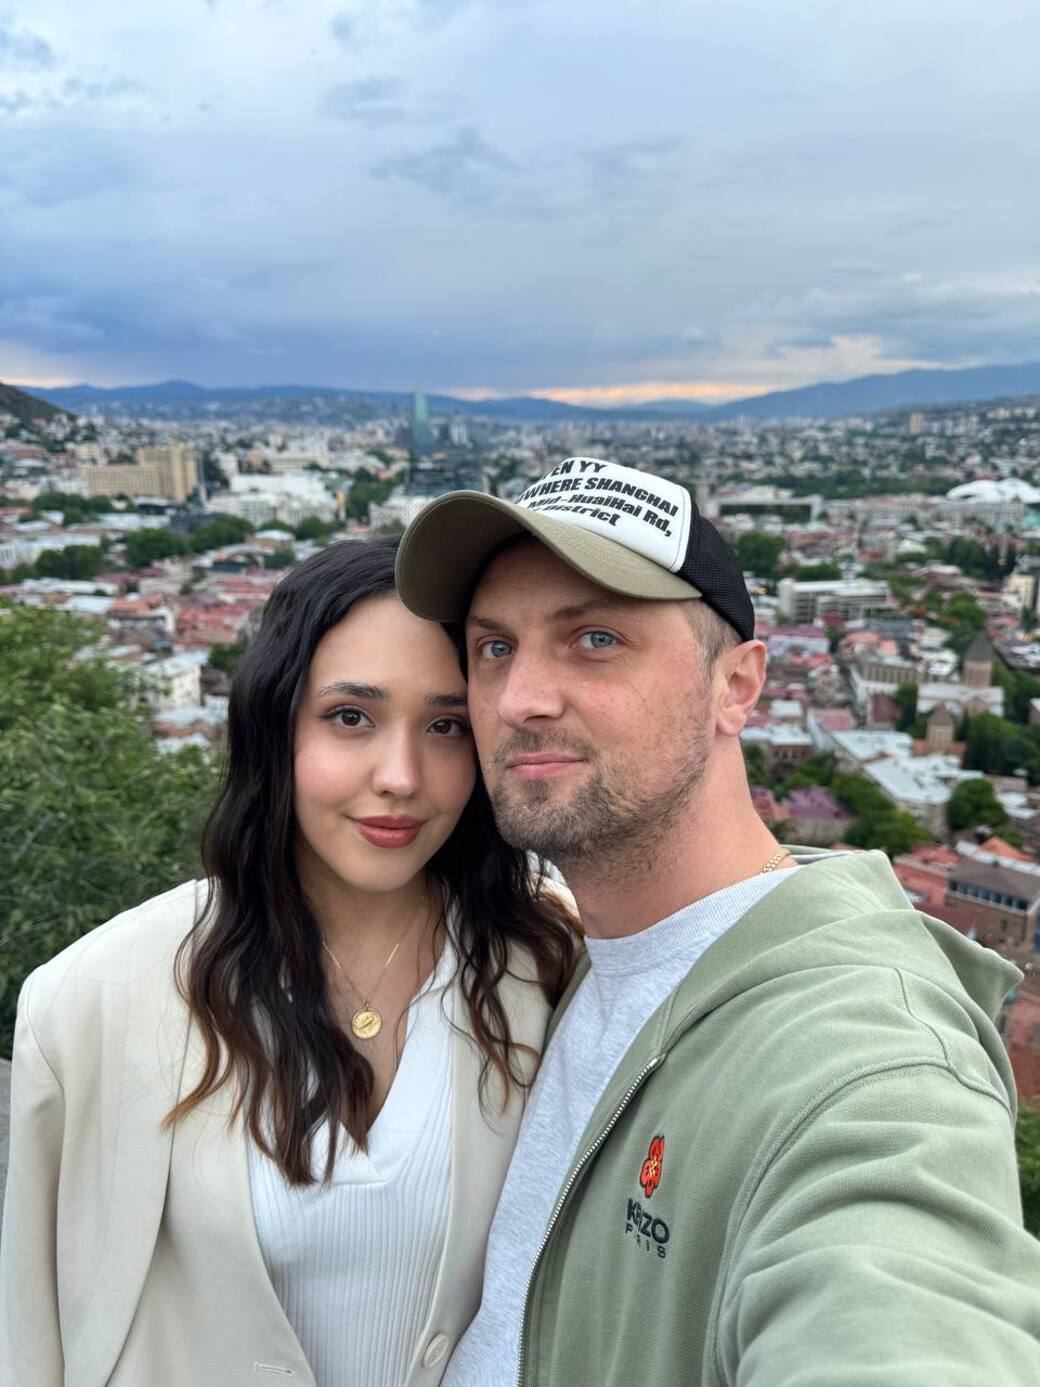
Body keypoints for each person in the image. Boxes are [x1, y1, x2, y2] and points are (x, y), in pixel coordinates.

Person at [394, 457, 1040, 1387]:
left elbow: (897, 1294)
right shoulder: (570, 954)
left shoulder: (864, 1060)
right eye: (494, 647)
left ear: (737, 686)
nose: (521, 697)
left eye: (596, 638)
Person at [0, 536, 577, 1387]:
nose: (401, 776)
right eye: (351, 717)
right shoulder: (90, 1002)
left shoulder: (550, 961)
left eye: (447, 725)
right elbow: (33, 1341)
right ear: (275, 725)